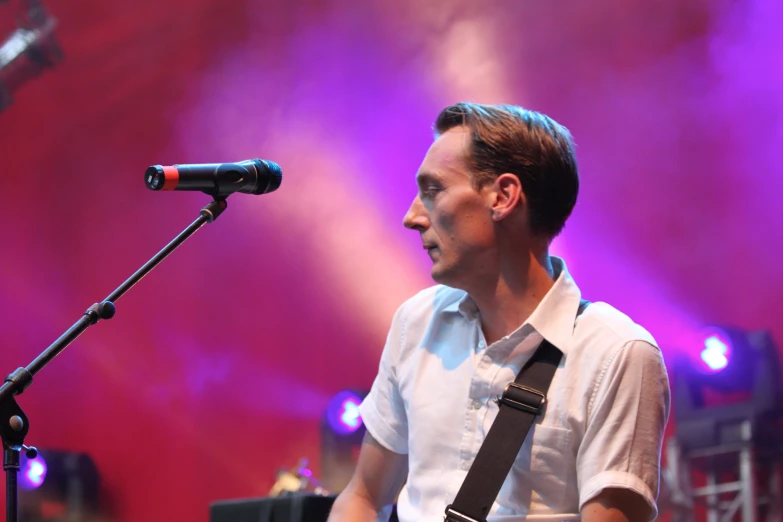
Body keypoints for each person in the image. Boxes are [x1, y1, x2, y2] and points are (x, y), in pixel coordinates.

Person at [327, 102, 670, 522]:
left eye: (433, 190)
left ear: (503, 197)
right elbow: (363, 496)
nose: (412, 216)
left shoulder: (618, 354)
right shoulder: (415, 322)